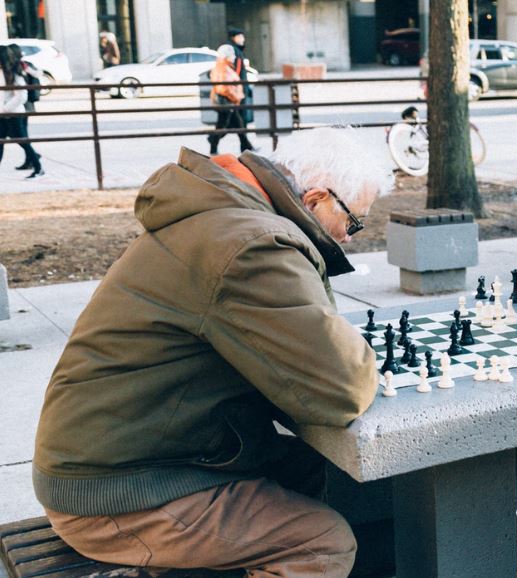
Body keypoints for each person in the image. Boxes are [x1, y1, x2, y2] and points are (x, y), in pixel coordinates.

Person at [32, 127, 395, 578]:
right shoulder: (252, 244)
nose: (351, 236)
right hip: (117, 494)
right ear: (318, 198)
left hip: (123, 460)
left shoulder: (222, 213)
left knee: (324, 473)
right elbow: (342, 388)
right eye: (354, 221)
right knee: (321, 544)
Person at [0, 46, 43, 178]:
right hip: (3, 115)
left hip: (14, 114)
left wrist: (4, 109)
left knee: (23, 142)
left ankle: (38, 167)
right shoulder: (3, 72)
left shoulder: (15, 72)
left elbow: (21, 95)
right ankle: (37, 166)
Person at [208, 44, 254, 154]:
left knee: (237, 124)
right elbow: (224, 87)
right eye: (231, 56)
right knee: (223, 126)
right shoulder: (223, 68)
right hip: (226, 102)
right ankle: (213, 143)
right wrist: (235, 98)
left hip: (228, 101)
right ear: (226, 57)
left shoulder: (225, 66)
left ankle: (246, 146)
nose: (233, 58)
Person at [228, 27, 254, 127]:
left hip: (236, 88)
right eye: (240, 37)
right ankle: (214, 138)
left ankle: (244, 140)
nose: (243, 39)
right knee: (238, 115)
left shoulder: (231, 49)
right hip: (239, 88)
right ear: (233, 38)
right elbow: (237, 71)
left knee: (234, 116)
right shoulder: (236, 51)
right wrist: (238, 86)